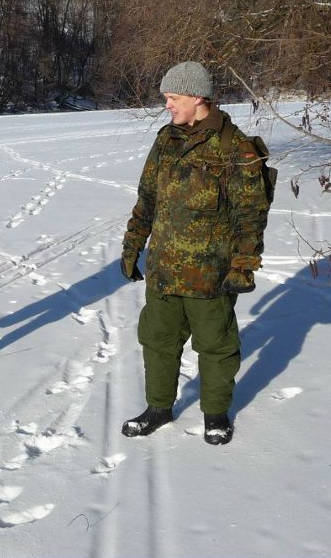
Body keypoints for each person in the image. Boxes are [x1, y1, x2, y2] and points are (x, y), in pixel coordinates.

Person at [119, 61, 269, 444]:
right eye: (166, 98)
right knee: (157, 342)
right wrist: (133, 244)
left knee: (216, 348)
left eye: (173, 98)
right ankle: (158, 408)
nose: (167, 105)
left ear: (198, 97)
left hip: (210, 276)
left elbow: (250, 215)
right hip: (164, 270)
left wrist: (243, 266)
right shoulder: (165, 140)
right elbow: (147, 199)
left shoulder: (235, 147)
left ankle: (215, 414)